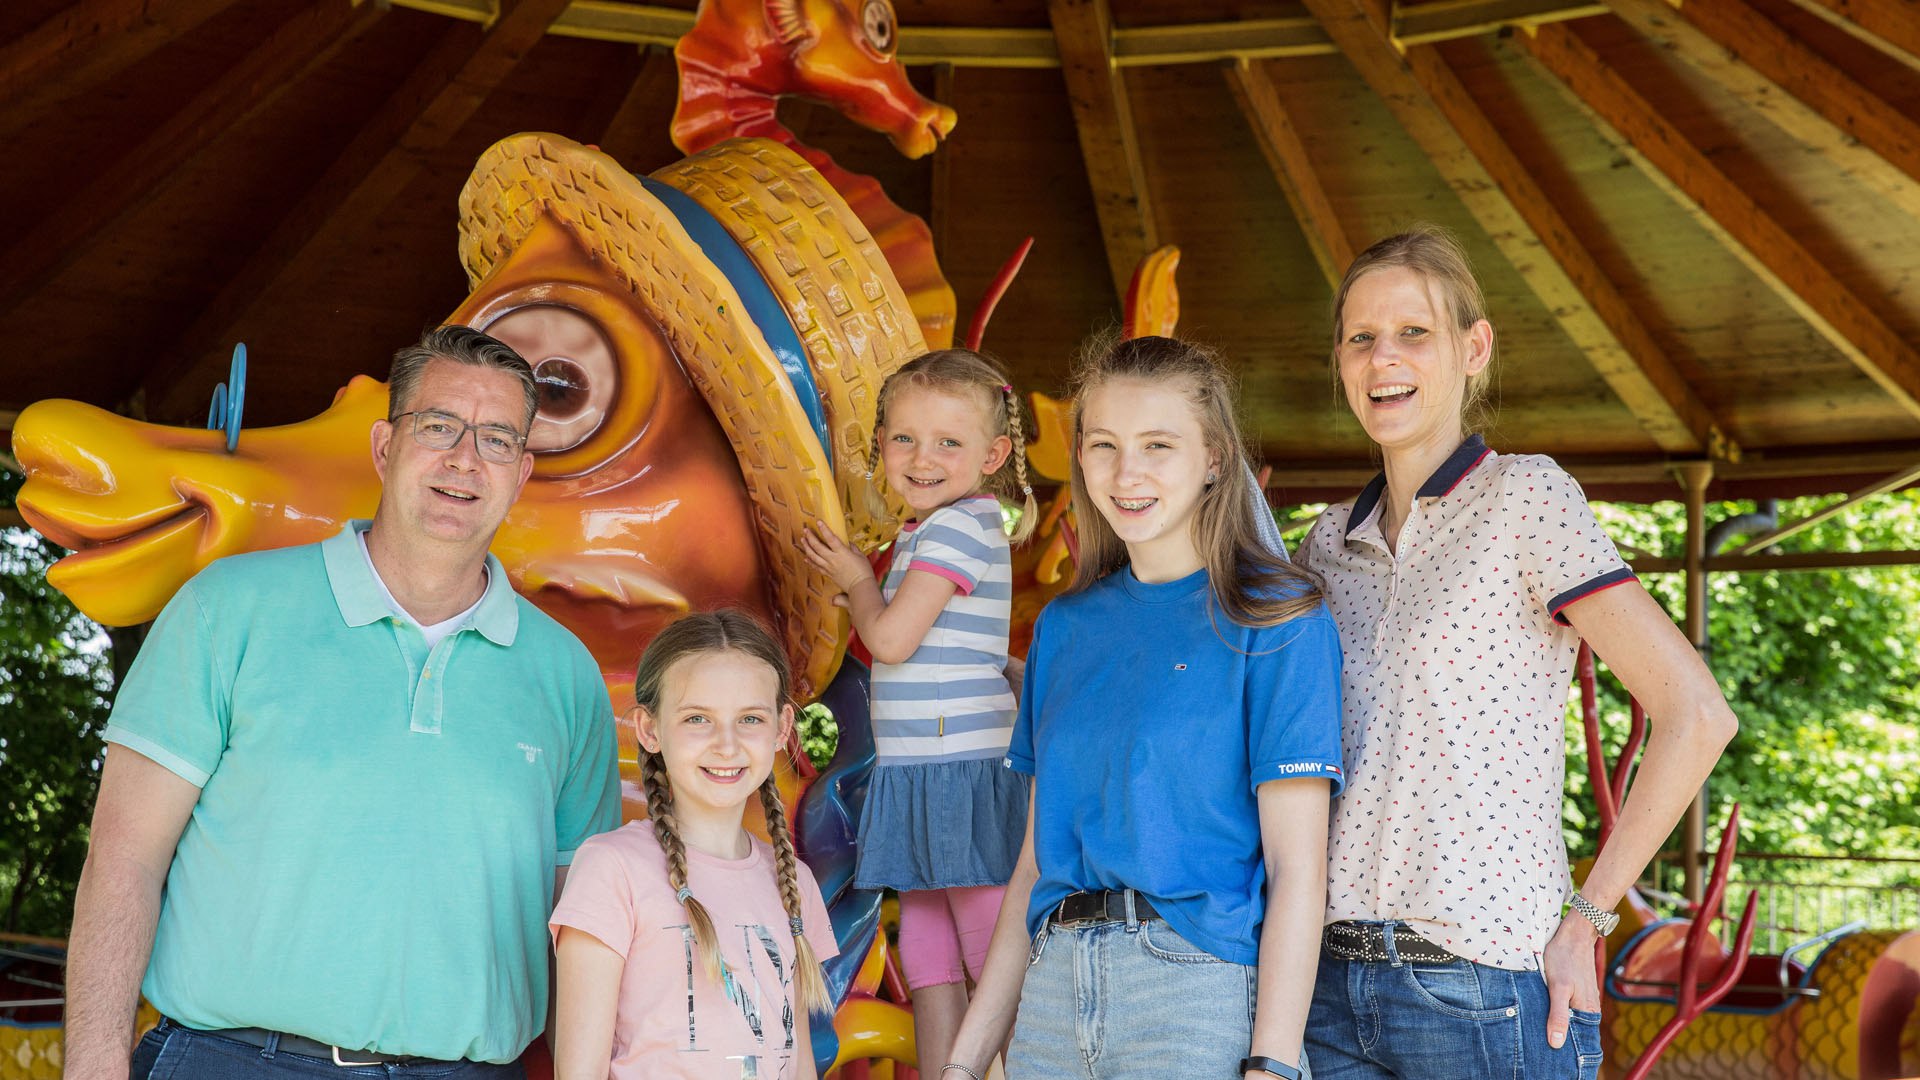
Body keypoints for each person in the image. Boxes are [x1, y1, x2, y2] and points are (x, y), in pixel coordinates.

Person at [63, 325, 622, 1079]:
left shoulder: (566, 675)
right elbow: (124, 859)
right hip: (232, 1061)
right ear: (386, 448)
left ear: (521, 474)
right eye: (439, 426)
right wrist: (93, 1066)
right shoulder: (229, 610)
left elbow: (578, 927)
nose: (464, 458)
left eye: (495, 439)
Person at [1298, 226, 1738, 1079]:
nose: (1382, 356)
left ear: (1474, 347)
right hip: (1326, 984)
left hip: (1482, 983)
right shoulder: (1325, 545)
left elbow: (1697, 715)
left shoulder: (1525, 499)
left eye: (1413, 332)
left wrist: (1591, 918)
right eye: (1361, 337)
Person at [944, 333, 1346, 1080]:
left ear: (1214, 457)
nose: (1126, 473)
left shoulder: (1279, 621)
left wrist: (1273, 1064)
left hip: (1190, 996)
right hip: (1051, 995)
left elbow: (1299, 867)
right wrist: (965, 1063)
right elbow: (1035, 866)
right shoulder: (1063, 630)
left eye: (1158, 445)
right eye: (1104, 445)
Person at [797, 348, 1039, 1070]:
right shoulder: (923, 533)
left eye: (949, 442)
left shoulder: (964, 526)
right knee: (931, 969)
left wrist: (854, 582)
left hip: (956, 772)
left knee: (987, 963)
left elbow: (892, 639)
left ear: (994, 454)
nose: (921, 457)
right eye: (904, 438)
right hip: (918, 771)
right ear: (880, 446)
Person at [549, 609, 838, 1079]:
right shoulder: (611, 869)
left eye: (749, 718)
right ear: (650, 729)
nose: (726, 745)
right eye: (698, 718)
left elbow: (799, 1062)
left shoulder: (794, 882)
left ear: (783, 728)